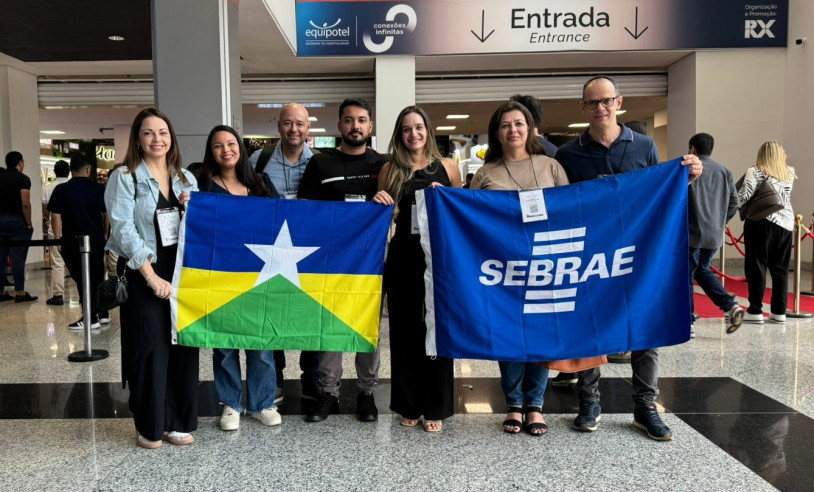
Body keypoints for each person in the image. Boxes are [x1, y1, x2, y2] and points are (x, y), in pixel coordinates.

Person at [555, 75, 703, 441]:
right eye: (592, 103)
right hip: (590, 257)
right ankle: (589, 401)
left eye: (606, 101)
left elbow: (656, 194)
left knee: (644, 325)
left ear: (620, 102)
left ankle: (645, 407)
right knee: (589, 325)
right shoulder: (568, 154)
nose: (600, 108)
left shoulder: (644, 147)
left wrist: (684, 178)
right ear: (583, 108)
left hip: (637, 254)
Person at [470, 101, 570, 436]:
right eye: (505, 125)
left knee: (540, 333)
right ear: (496, 133)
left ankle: (535, 405)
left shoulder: (551, 167)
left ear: (530, 128)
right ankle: (514, 403)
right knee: (509, 333)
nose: (512, 130)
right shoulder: (486, 174)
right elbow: (468, 217)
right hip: (502, 269)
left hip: (545, 265)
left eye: (519, 123)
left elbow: (567, 213)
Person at [104, 107, 199, 449]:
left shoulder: (187, 178)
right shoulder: (124, 177)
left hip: (183, 275)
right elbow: (124, 229)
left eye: (162, 132)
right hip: (146, 274)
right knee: (151, 348)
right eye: (148, 133)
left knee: (183, 347)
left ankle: (178, 421)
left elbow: (198, 229)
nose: (156, 139)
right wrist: (150, 275)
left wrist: (193, 207)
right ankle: (150, 424)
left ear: (171, 137)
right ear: (138, 139)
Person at [298, 97, 387, 423]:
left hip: (370, 265)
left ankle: (366, 393)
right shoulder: (320, 164)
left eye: (362, 120)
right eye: (349, 120)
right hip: (329, 263)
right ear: (339, 126)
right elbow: (305, 211)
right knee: (330, 329)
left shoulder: (383, 166)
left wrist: (385, 200)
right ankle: (329, 393)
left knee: (367, 329)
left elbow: (398, 209)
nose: (355, 126)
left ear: (370, 126)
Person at [375, 106, 462, 433]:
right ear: (400, 134)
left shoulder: (448, 168)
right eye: (407, 129)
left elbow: (463, 214)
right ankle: (409, 404)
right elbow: (383, 215)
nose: (414, 134)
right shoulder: (390, 170)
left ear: (428, 130)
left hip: (438, 259)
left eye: (419, 127)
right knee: (405, 331)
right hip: (403, 258)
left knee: (436, 332)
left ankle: (436, 405)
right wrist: (380, 200)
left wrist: (450, 197)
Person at [198, 124, 282, 431]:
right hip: (220, 275)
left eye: (231, 143)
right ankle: (231, 404)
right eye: (218, 145)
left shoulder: (261, 183)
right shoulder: (203, 187)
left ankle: (262, 402)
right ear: (211, 152)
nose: (226, 150)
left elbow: (282, 220)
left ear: (240, 148)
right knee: (225, 345)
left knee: (261, 342)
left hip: (260, 276)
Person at [249, 103, 320, 403]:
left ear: (308, 129)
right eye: (288, 123)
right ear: (278, 126)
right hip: (270, 252)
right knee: (271, 313)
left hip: (310, 252)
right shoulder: (257, 159)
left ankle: (311, 378)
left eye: (300, 124)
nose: (294, 129)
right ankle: (275, 379)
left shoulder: (319, 163)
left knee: (311, 312)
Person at [687, 133, 744, 335]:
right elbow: (734, 203)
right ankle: (729, 306)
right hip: (714, 235)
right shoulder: (725, 171)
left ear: (692, 149)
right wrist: (721, 222)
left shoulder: (689, 170)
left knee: (687, 276)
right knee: (702, 271)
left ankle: (688, 321)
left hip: (691, 233)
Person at [48, 156, 109, 329]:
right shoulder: (99, 189)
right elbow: (106, 214)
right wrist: (105, 233)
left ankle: (90, 318)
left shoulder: (61, 190)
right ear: (88, 170)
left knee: (82, 279)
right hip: (96, 239)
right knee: (98, 276)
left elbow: (56, 216)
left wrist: (58, 238)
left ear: (70, 170)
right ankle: (102, 313)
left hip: (73, 240)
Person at [739, 141, 796, 325]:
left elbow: (743, 195)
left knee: (757, 266)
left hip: (761, 221)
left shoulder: (755, 170)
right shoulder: (789, 172)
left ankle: (755, 311)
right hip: (786, 223)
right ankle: (779, 312)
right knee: (780, 269)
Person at [0, 151, 37, 303]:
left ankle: (1, 292)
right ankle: (20, 292)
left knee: (0, 258)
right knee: (18, 259)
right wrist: (28, 223)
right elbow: (25, 204)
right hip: (17, 222)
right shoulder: (23, 179)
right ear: (20, 163)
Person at [43, 160, 70, 306]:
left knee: (57, 263)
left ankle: (58, 295)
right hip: (73, 230)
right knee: (79, 262)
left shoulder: (47, 188)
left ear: (55, 171)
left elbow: (46, 211)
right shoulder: (72, 187)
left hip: (55, 230)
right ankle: (84, 294)